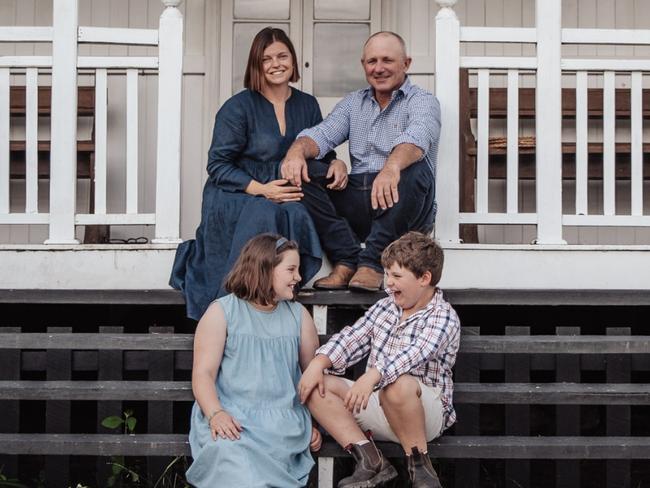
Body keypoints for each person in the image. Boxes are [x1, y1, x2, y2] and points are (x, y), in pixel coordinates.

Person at [170, 27, 338, 320]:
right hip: (236, 191)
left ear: (294, 60)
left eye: (282, 56)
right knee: (263, 213)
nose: (276, 64)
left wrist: (337, 162)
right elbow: (218, 165)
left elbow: (319, 147)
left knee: (298, 214)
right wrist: (261, 189)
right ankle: (239, 304)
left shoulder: (307, 104)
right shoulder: (237, 108)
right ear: (256, 66)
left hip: (283, 190)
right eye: (267, 59)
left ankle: (281, 291)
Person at [280, 31, 441, 292]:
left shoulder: (423, 101)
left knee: (416, 168)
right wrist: (297, 151)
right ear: (363, 65)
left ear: (406, 64)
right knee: (305, 171)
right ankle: (347, 258)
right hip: (362, 199)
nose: (379, 68)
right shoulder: (354, 103)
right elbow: (322, 134)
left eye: (387, 60)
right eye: (371, 61)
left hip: (405, 204)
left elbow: (417, 138)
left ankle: (373, 262)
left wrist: (391, 167)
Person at [298, 232, 460, 488]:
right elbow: (352, 337)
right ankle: (372, 461)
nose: (388, 283)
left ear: (424, 278)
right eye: (386, 274)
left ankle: (421, 469)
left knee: (398, 384)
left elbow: (416, 353)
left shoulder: (443, 316)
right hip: (378, 405)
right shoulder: (386, 308)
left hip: (421, 414)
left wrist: (373, 375)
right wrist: (319, 363)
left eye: (396, 276)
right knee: (318, 386)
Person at [186, 233, 322, 487]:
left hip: (283, 423)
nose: (299, 278)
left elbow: (312, 378)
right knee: (230, 457)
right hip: (232, 416)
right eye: (291, 269)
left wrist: (315, 424)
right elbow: (203, 374)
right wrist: (215, 414)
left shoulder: (299, 316)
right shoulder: (222, 312)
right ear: (264, 269)